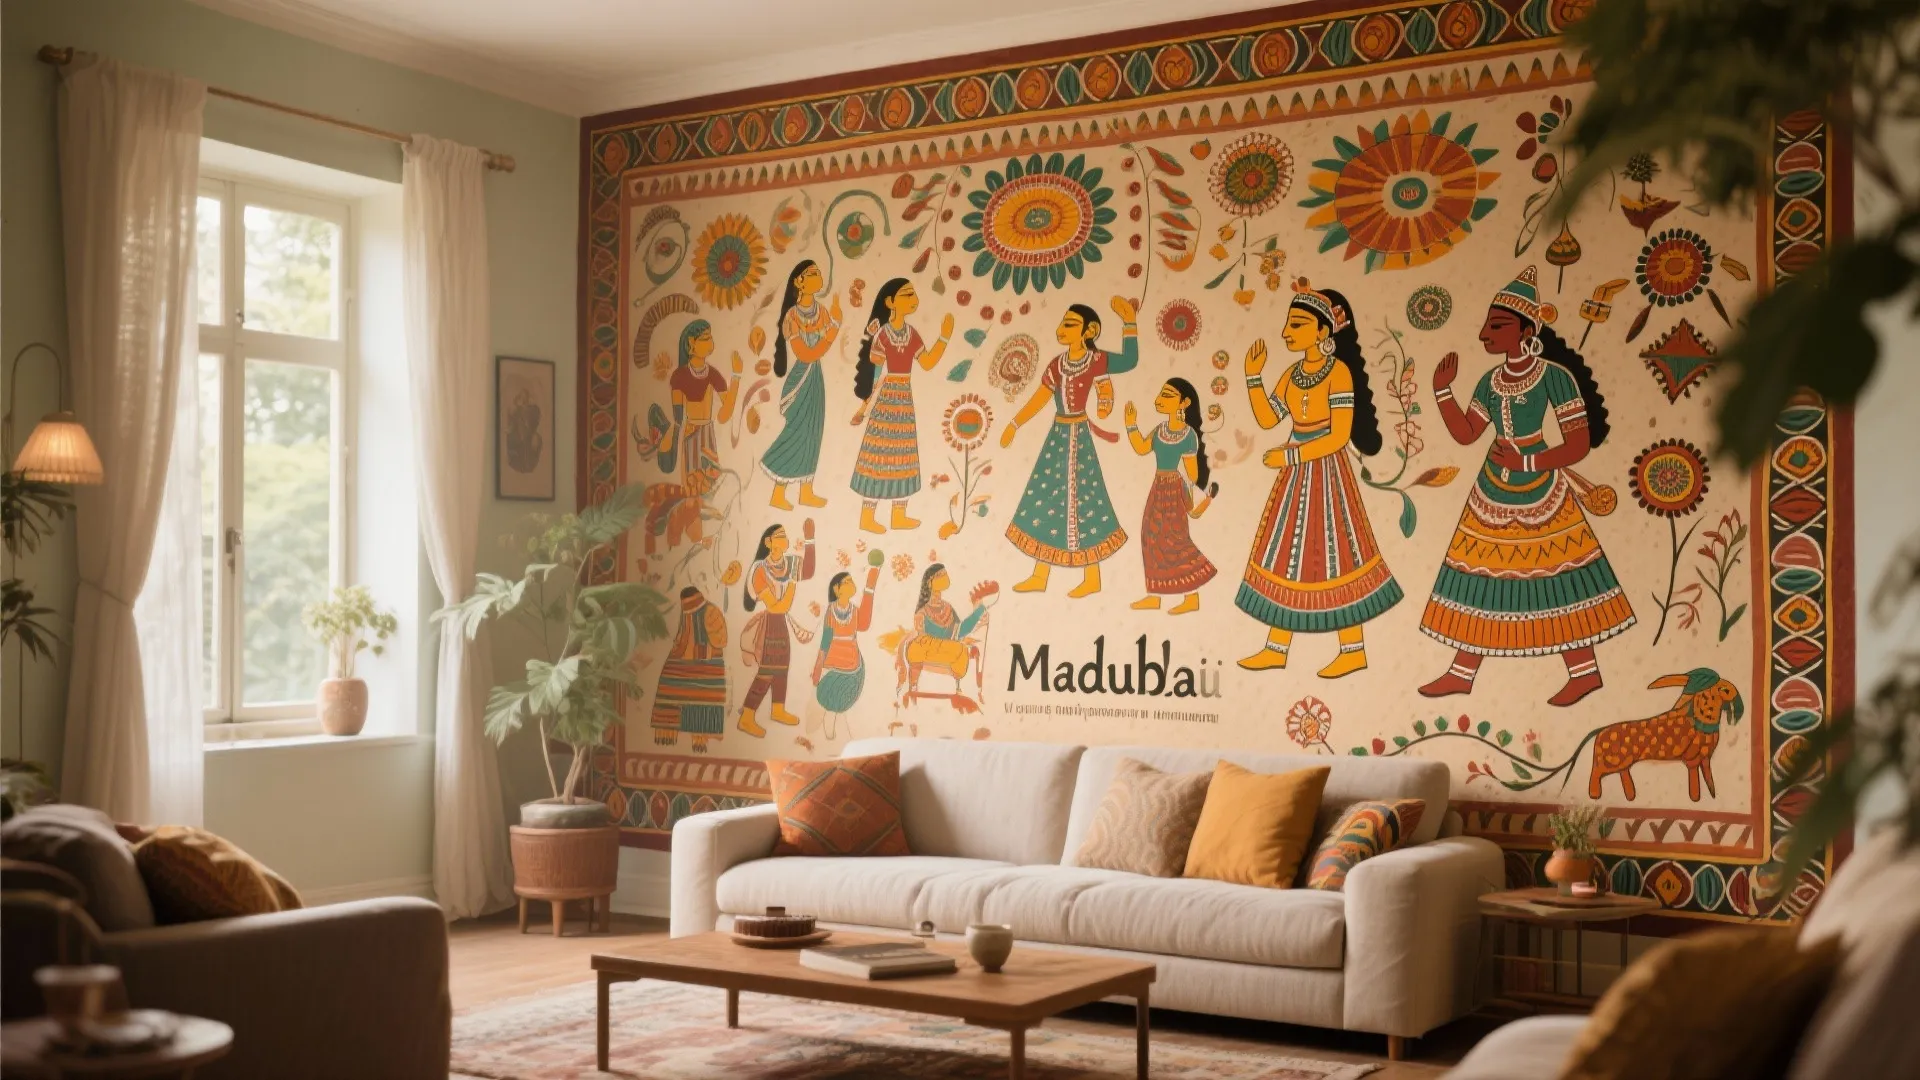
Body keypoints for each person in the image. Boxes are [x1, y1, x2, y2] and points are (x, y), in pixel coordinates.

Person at [1419, 265, 1635, 707]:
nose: (1485, 334)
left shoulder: (1554, 377)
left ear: (1526, 330)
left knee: (1562, 577)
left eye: (1497, 326)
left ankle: (1585, 672)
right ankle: (1462, 672)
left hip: (1543, 488)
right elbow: (1465, 434)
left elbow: (1577, 442)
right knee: (1478, 577)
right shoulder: (1489, 381)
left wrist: (1529, 459)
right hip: (1492, 490)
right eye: (1487, 325)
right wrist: (1443, 392)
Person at [1236, 279, 1403, 678]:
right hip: (1295, 480)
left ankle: (1353, 648)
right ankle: (1277, 647)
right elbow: (1268, 417)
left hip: (1327, 473)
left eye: (1296, 325)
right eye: (1288, 325)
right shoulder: (1292, 374)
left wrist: (1290, 454)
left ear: (1323, 332)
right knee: (1287, 553)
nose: (1285, 333)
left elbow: (1338, 436)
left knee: (1336, 554)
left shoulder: (1339, 373)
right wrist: (1253, 378)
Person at [1000, 296, 1139, 598]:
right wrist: (1014, 424)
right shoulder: (1057, 365)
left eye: (1070, 325)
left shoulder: (1095, 360)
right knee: (1045, 498)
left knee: (1086, 501)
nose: (1062, 329)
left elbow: (1129, 361)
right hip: (1058, 436)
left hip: (1079, 436)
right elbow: (1039, 399)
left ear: (1089, 331)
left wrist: (1129, 322)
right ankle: (1040, 574)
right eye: (1063, 323)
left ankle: (1092, 578)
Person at [849, 278, 953, 534]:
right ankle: (867, 517)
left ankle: (899, 515)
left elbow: (927, 363)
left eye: (913, 294)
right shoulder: (883, 335)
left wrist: (944, 338)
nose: (913, 299)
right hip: (886, 399)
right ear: (890, 302)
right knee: (879, 455)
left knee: (903, 455)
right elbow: (874, 374)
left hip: (904, 399)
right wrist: (864, 407)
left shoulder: (912, 333)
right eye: (907, 295)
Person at [1122, 378, 1218, 614]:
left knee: (1176, 540)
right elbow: (1143, 448)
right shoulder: (1160, 430)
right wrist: (1131, 425)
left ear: (1183, 403)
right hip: (1158, 487)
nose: (1160, 399)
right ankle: (1155, 595)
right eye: (1161, 394)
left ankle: (1191, 598)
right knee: (1150, 536)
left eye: (1168, 395)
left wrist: (1188, 492)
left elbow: (1192, 473)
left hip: (1174, 489)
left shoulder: (1188, 436)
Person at [760, 260, 841, 510]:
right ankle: (777, 493)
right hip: (802, 376)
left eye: (819, 273)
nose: (818, 277)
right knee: (796, 433)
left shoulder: (821, 311)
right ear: (799, 282)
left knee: (813, 433)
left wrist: (832, 324)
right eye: (812, 274)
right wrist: (833, 329)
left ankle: (806, 490)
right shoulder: (792, 316)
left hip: (816, 378)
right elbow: (806, 354)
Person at [738, 520, 816, 736]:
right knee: (767, 670)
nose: (784, 538)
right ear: (769, 542)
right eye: (779, 535)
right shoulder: (759, 569)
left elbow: (808, 570)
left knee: (782, 667)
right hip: (771, 621)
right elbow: (778, 606)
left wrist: (810, 538)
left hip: (780, 624)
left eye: (784, 535)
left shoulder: (788, 563)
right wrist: (791, 583)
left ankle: (778, 709)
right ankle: (746, 716)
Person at [662, 320, 738, 497]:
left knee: (709, 491)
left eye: (710, 337)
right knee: (691, 491)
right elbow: (678, 416)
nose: (711, 342)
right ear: (691, 343)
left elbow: (724, 415)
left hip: (707, 435)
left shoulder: (713, 374)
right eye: (705, 338)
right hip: (690, 435)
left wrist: (737, 377)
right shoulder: (679, 376)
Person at [649, 587, 728, 753]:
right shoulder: (686, 613)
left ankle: (700, 736)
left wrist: (699, 650)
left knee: (701, 695)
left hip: (707, 662)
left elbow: (721, 641)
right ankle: (667, 731)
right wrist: (679, 646)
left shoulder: (710, 611)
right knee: (668, 677)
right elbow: (681, 635)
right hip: (684, 658)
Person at [811, 564, 879, 739]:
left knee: (843, 698)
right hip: (833, 661)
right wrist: (819, 664)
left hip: (852, 663)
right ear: (837, 589)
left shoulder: (854, 611)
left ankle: (837, 722)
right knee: (830, 696)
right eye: (847, 581)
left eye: (851, 581)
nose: (851, 583)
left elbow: (864, 624)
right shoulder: (831, 611)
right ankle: (830, 720)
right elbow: (826, 639)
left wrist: (870, 587)